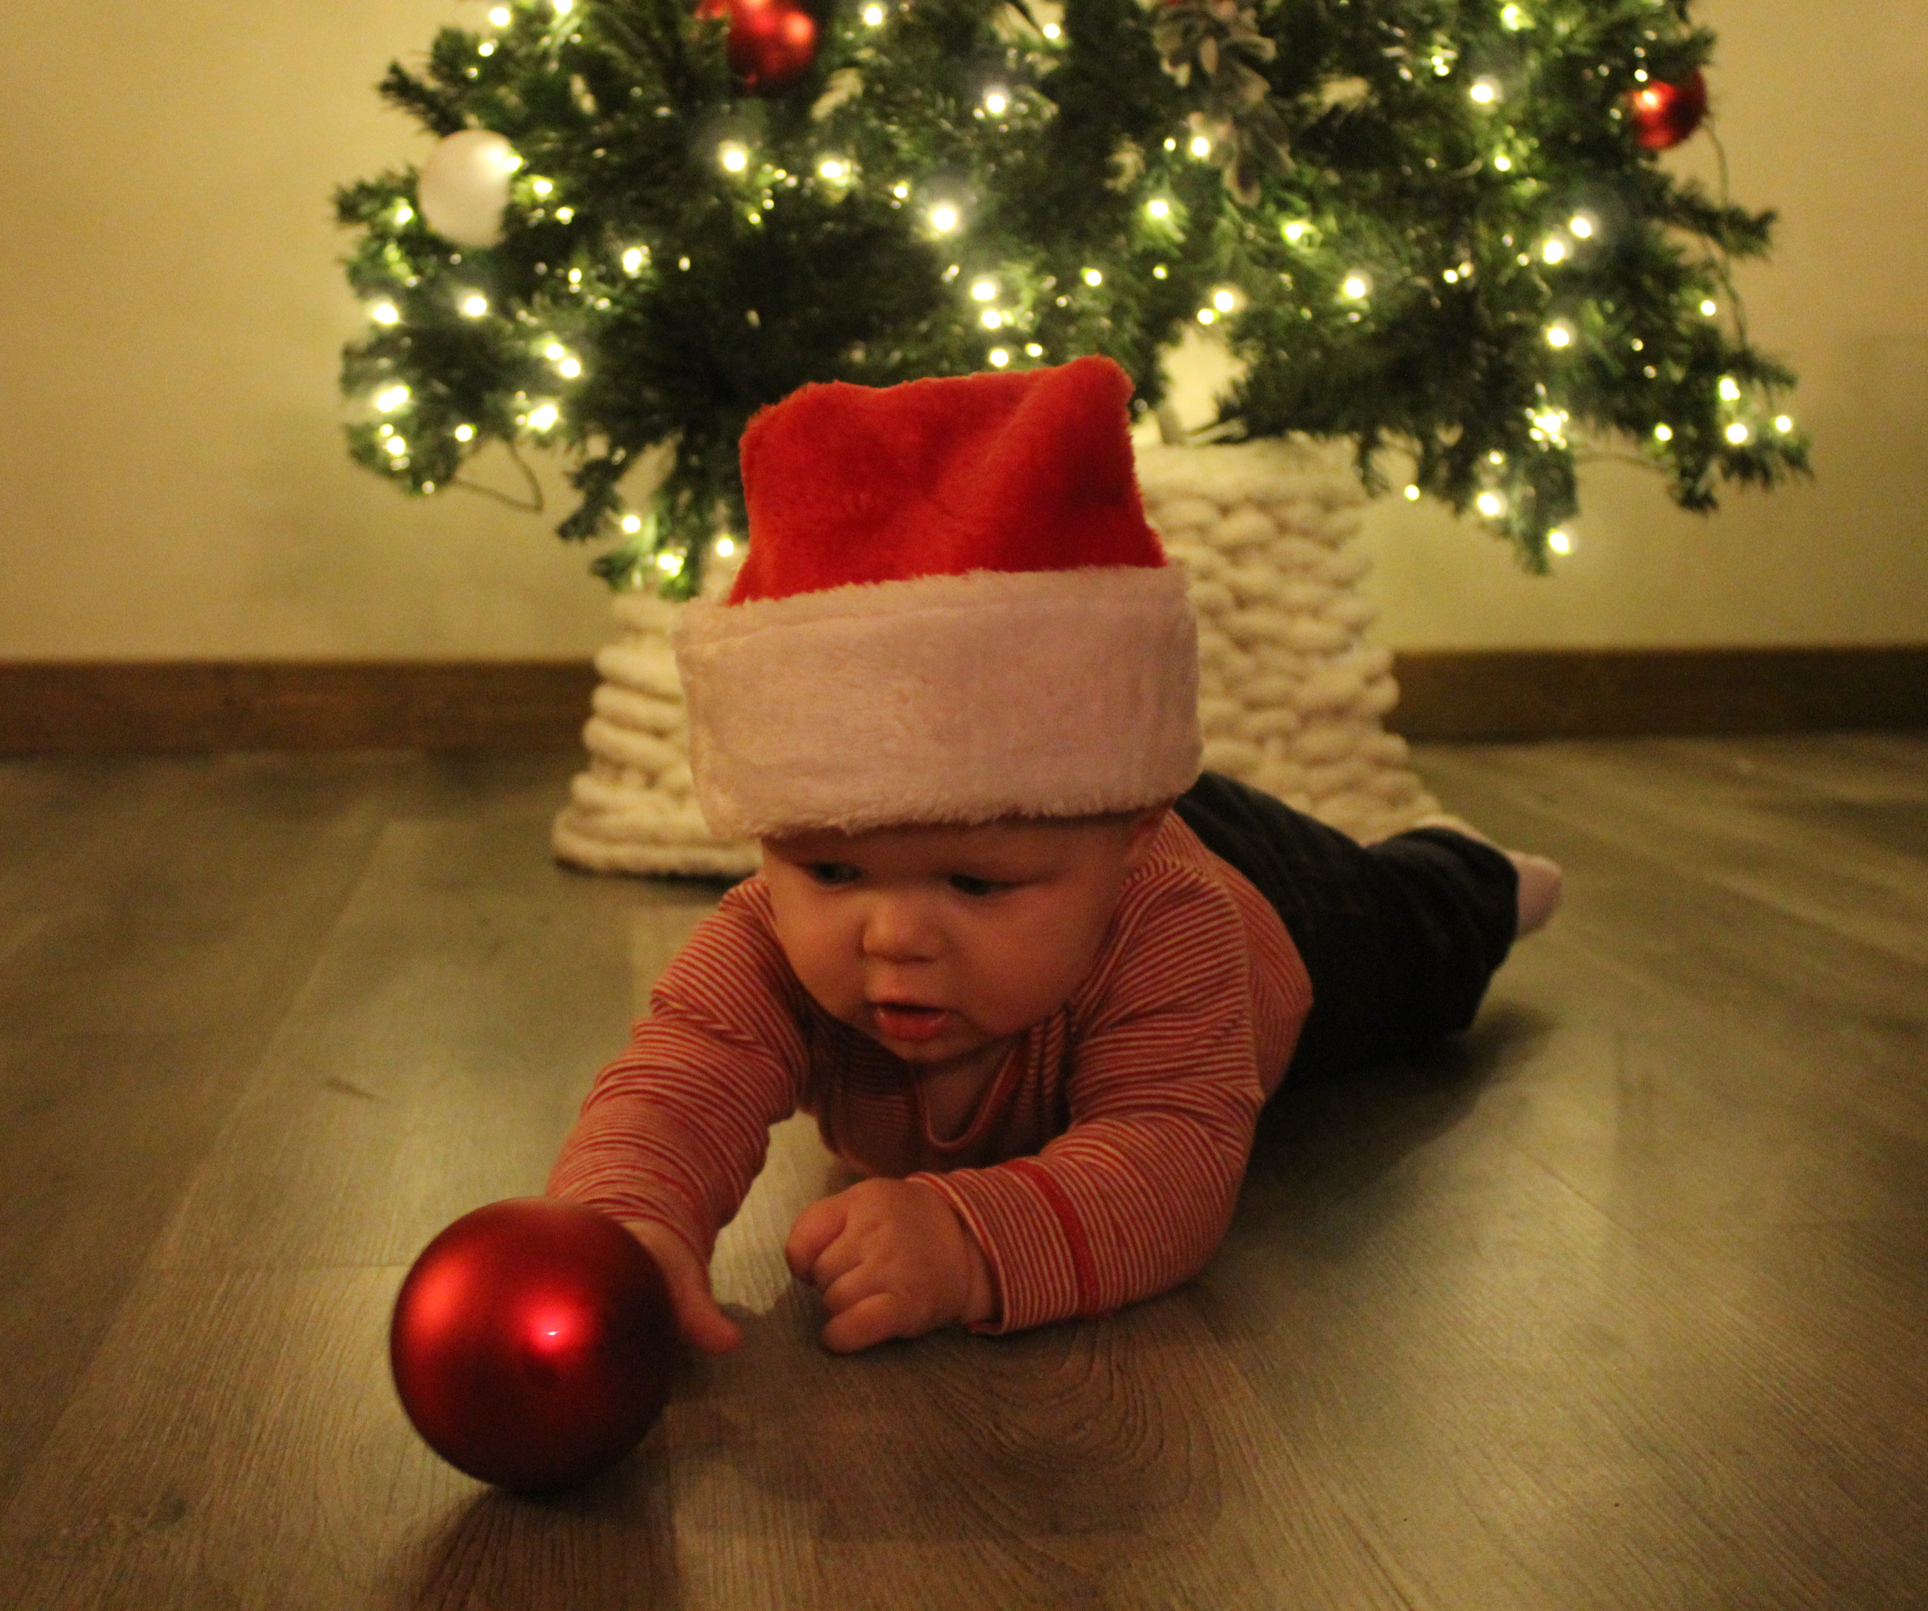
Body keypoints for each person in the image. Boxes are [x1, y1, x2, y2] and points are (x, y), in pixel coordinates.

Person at [546, 355, 1561, 1355]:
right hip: (1077, 802)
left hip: (1273, 903)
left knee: (1398, 935)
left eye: (975, 883)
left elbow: (1172, 1164)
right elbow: (677, 1079)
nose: (891, 934)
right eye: (831, 871)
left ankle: (1476, 876)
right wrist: (631, 1219)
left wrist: (969, 1243)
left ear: (1124, 834)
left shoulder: (1166, 922)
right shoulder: (766, 941)